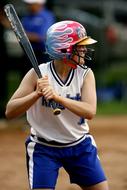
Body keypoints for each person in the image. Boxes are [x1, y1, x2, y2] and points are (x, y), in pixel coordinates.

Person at [5, 20, 109, 190]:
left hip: (79, 146)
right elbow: (10, 111)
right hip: (44, 148)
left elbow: (90, 111)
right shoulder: (37, 74)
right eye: (79, 46)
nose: (84, 50)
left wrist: (57, 97)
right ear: (63, 50)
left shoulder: (85, 74)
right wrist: (36, 94)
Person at [21, 0, 55, 69]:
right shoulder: (26, 17)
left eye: (31, 4)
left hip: (43, 54)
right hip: (28, 53)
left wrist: (23, 35)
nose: (28, 6)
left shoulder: (47, 16)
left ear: (39, 4)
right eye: (27, 4)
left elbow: (42, 37)